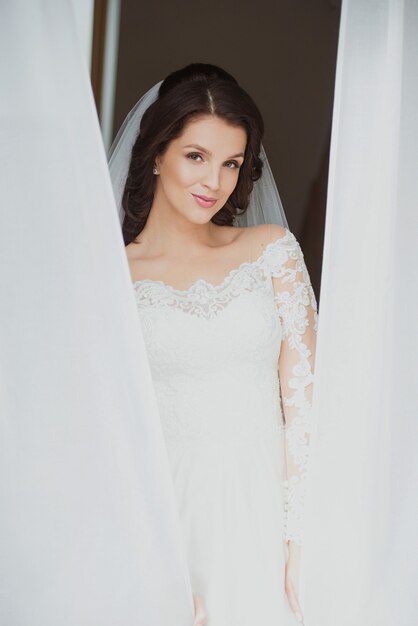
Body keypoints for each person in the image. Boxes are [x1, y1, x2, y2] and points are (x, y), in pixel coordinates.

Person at [113, 63, 318, 626]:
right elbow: (105, 432)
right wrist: (148, 561)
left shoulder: (273, 251)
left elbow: (307, 406)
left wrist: (302, 544)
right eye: (196, 156)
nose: (215, 183)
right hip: (167, 520)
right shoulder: (110, 278)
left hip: (267, 513)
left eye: (231, 163)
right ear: (156, 154)